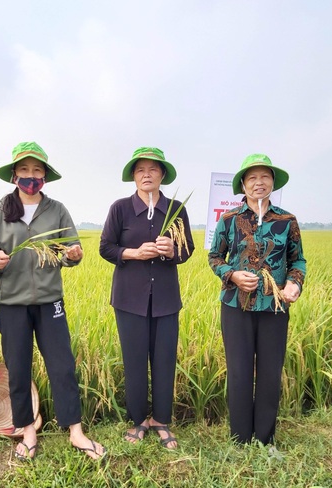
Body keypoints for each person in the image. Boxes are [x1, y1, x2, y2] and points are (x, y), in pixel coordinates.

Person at [0, 141, 106, 461]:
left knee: (62, 366)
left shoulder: (57, 210)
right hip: (11, 302)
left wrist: (74, 256)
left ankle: (75, 431)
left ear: (45, 176)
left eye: (37, 170)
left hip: (50, 301)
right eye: (24, 170)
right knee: (18, 369)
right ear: (14, 175)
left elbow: (70, 250)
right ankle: (27, 431)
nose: (31, 176)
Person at [208, 153, 306, 449]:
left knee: (269, 372)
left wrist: (295, 284)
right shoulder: (229, 220)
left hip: (275, 307)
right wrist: (233, 274)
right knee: (238, 371)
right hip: (235, 306)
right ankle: (239, 438)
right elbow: (214, 258)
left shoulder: (287, 221)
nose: (258, 183)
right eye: (252, 178)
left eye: (264, 177)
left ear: (273, 183)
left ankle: (265, 438)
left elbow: (297, 260)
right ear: (243, 185)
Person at [99, 147, 195, 449]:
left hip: (165, 300)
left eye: (153, 170)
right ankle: (139, 420)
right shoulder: (120, 208)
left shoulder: (176, 209)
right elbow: (106, 247)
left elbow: (187, 249)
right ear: (134, 176)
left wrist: (172, 251)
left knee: (165, 360)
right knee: (135, 361)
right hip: (129, 300)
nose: (147, 175)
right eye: (140, 170)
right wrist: (134, 253)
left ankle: (162, 421)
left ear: (162, 175)